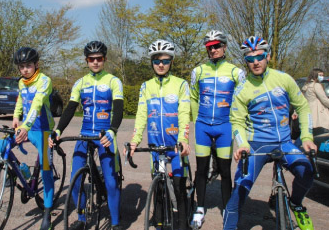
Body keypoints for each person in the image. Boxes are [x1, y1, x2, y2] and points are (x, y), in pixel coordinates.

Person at [223, 36, 317, 230]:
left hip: (284, 142)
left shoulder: (283, 79)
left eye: (260, 57)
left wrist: (307, 138)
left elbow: (303, 107)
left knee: (307, 172)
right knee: (238, 193)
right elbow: (237, 121)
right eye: (250, 59)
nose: (255, 62)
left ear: (268, 56)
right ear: (246, 61)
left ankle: (296, 204)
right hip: (256, 144)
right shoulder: (242, 89)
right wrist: (242, 144)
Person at [48, 41, 124, 230]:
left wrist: (112, 130)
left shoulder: (113, 81)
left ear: (104, 59)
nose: (95, 62)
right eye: (92, 59)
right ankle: (81, 218)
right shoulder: (80, 83)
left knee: (112, 183)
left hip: (105, 134)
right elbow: (70, 109)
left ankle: (115, 222)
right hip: (85, 134)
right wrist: (58, 131)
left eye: (99, 59)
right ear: (87, 61)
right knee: (75, 179)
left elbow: (119, 108)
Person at [123, 39, 191, 230]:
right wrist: (134, 142)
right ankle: (159, 219)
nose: (161, 64)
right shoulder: (146, 87)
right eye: (156, 60)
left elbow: (185, 114)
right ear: (151, 62)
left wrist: (183, 140)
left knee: (178, 187)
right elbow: (141, 116)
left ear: (171, 62)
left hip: (175, 145)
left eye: (165, 60)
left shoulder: (181, 84)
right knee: (159, 186)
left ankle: (182, 224)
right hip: (155, 146)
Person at [190, 30, 245, 227]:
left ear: (224, 47)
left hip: (225, 126)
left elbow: (242, 99)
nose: (213, 50)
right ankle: (199, 209)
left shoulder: (235, 72)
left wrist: (235, 120)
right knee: (201, 170)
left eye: (217, 46)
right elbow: (194, 97)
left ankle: (227, 209)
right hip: (203, 126)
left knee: (225, 171)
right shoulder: (198, 71)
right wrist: (197, 120)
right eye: (209, 47)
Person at [12, 47, 55, 230]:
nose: (25, 70)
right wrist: (16, 116)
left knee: (46, 170)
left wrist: (25, 126)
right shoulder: (22, 82)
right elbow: (21, 100)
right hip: (26, 127)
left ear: (36, 64)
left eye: (28, 65)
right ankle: (25, 175)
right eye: (21, 67)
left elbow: (37, 105)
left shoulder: (45, 81)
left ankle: (47, 213)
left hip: (43, 129)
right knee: (1, 148)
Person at [302, 68, 329, 135]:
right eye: (320, 75)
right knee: (322, 134)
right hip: (319, 112)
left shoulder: (307, 85)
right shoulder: (316, 85)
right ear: (315, 75)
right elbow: (324, 99)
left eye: (322, 75)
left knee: (311, 133)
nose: (322, 77)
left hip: (309, 111)